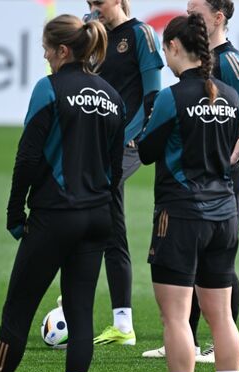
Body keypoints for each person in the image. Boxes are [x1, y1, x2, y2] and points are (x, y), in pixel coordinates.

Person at [0, 15, 124, 372]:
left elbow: (27, 157)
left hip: (56, 216)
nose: (43, 56)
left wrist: (14, 213)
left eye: (46, 49)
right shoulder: (112, 95)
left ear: (62, 50)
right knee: (80, 312)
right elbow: (114, 168)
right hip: (97, 218)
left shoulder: (49, 88)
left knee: (18, 310)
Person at [141, 0, 239, 364]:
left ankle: (193, 340)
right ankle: (188, 337)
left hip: (212, 182)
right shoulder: (208, 82)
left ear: (217, 18)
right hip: (215, 186)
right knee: (207, 264)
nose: (190, 17)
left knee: (210, 269)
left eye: (196, 13)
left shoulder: (227, 61)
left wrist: (233, 153)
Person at [86, 0, 164, 347]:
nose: (94, 7)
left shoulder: (141, 35)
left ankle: (78, 301)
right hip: (93, 144)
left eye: (99, 2)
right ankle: (122, 323)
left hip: (124, 145)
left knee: (90, 209)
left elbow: (153, 94)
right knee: (110, 225)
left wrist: (133, 138)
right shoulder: (93, 31)